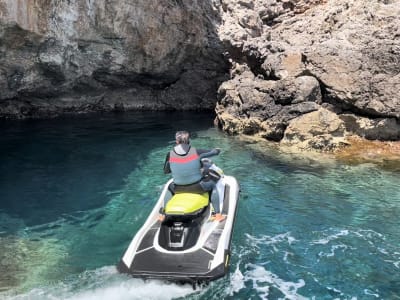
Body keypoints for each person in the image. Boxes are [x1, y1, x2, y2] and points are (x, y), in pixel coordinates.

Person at [163, 130, 226, 221]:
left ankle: (163, 214)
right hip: (197, 187)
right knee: (212, 185)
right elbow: (214, 152)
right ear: (189, 140)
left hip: (178, 188)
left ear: (176, 141)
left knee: (169, 187)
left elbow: (166, 171)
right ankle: (218, 215)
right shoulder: (196, 151)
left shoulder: (169, 154)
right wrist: (217, 149)